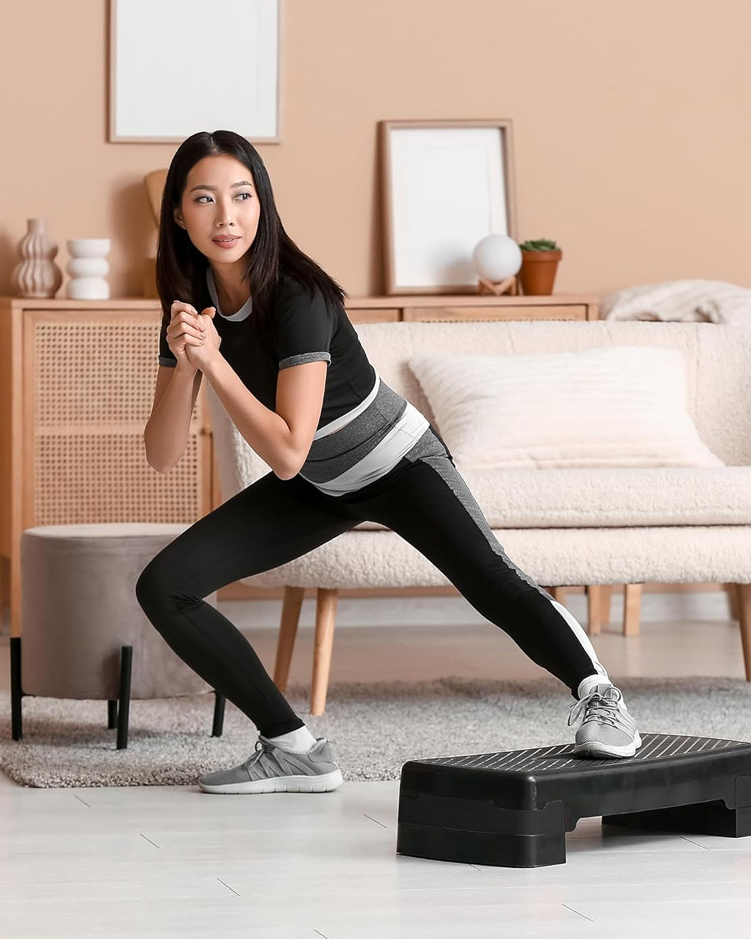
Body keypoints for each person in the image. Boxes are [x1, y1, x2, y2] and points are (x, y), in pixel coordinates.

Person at [135, 129, 641, 796]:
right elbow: (161, 454)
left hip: (399, 464)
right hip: (321, 484)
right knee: (164, 585)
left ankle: (603, 699)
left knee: (492, 579)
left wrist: (214, 362)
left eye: (242, 195)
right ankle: (293, 748)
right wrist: (185, 364)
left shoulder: (298, 295)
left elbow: (285, 451)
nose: (226, 217)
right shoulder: (189, 302)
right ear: (178, 213)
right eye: (204, 199)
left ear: (263, 203)